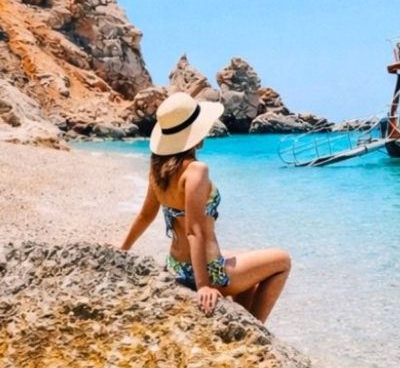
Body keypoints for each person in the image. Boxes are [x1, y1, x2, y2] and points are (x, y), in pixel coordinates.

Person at [120, 92, 291, 321]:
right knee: (282, 260)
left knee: (243, 255)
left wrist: (122, 249)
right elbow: (194, 231)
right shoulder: (196, 170)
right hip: (209, 273)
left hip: (176, 267)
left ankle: (243, 320)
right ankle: (257, 329)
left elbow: (145, 215)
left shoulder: (158, 169)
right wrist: (203, 285)